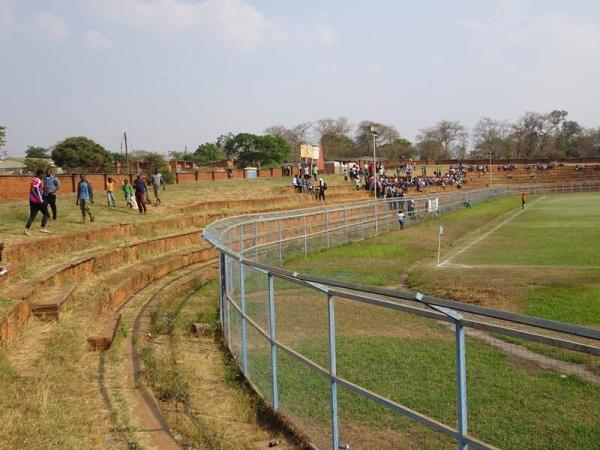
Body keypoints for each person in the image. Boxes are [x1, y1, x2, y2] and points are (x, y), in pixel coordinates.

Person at [24, 169, 50, 235]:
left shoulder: (36, 180)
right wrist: (38, 199)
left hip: (32, 201)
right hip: (38, 201)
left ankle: (26, 230)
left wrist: (43, 188)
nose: (44, 175)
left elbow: (38, 189)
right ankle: (42, 228)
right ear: (39, 174)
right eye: (43, 174)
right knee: (46, 214)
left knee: (32, 216)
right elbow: (32, 190)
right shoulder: (37, 180)